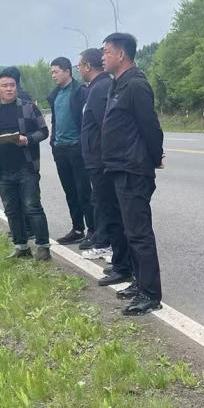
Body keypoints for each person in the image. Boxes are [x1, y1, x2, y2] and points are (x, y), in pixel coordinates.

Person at [100, 32, 164, 316]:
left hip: (133, 168)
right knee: (129, 231)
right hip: (118, 166)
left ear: (121, 54)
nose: (102, 57)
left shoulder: (136, 84)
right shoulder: (118, 84)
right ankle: (139, 283)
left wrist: (153, 159)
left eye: (106, 52)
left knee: (139, 233)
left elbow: (150, 127)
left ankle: (150, 294)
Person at [0, 69, 51, 261]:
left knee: (32, 207)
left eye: (12, 85)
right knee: (11, 210)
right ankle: (21, 247)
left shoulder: (28, 108)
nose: (9, 89)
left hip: (27, 167)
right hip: (3, 169)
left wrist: (28, 139)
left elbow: (43, 131)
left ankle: (43, 247)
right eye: (5, 86)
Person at [77, 48, 124, 270]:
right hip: (96, 157)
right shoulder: (95, 88)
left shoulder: (101, 87)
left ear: (87, 66)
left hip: (101, 158)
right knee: (102, 202)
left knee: (109, 206)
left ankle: (113, 249)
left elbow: (105, 125)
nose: (79, 69)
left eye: (79, 65)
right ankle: (108, 244)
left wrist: (104, 156)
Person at [48, 57, 95, 247]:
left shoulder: (81, 92)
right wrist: (53, 142)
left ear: (67, 71)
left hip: (77, 147)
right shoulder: (54, 95)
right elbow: (55, 121)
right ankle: (77, 229)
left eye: (56, 71)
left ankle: (93, 230)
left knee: (84, 191)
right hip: (60, 149)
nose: (53, 76)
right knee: (70, 191)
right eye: (52, 72)